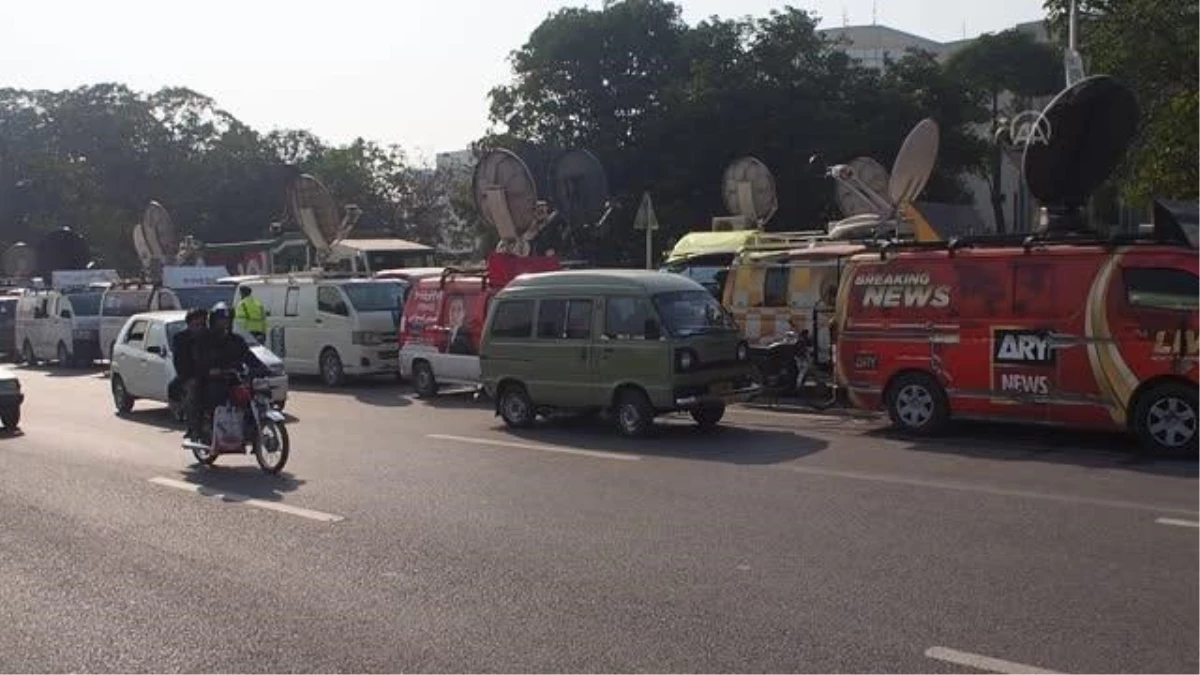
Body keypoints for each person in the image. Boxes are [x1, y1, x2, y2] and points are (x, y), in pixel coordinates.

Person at [195, 303, 259, 443]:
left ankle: (251, 429)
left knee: (251, 395)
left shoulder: (237, 340)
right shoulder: (204, 340)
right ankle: (209, 430)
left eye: (227, 320)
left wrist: (262, 368)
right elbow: (199, 360)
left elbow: (248, 356)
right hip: (214, 380)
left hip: (234, 378)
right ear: (213, 321)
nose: (224, 323)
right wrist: (210, 370)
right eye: (221, 320)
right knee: (216, 395)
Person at [171, 308, 208, 441]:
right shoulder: (180, 339)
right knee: (193, 391)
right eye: (197, 325)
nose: (201, 328)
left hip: (213, 376)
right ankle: (194, 428)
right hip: (190, 376)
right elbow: (180, 362)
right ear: (189, 325)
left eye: (203, 324)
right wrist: (190, 378)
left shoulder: (211, 336)